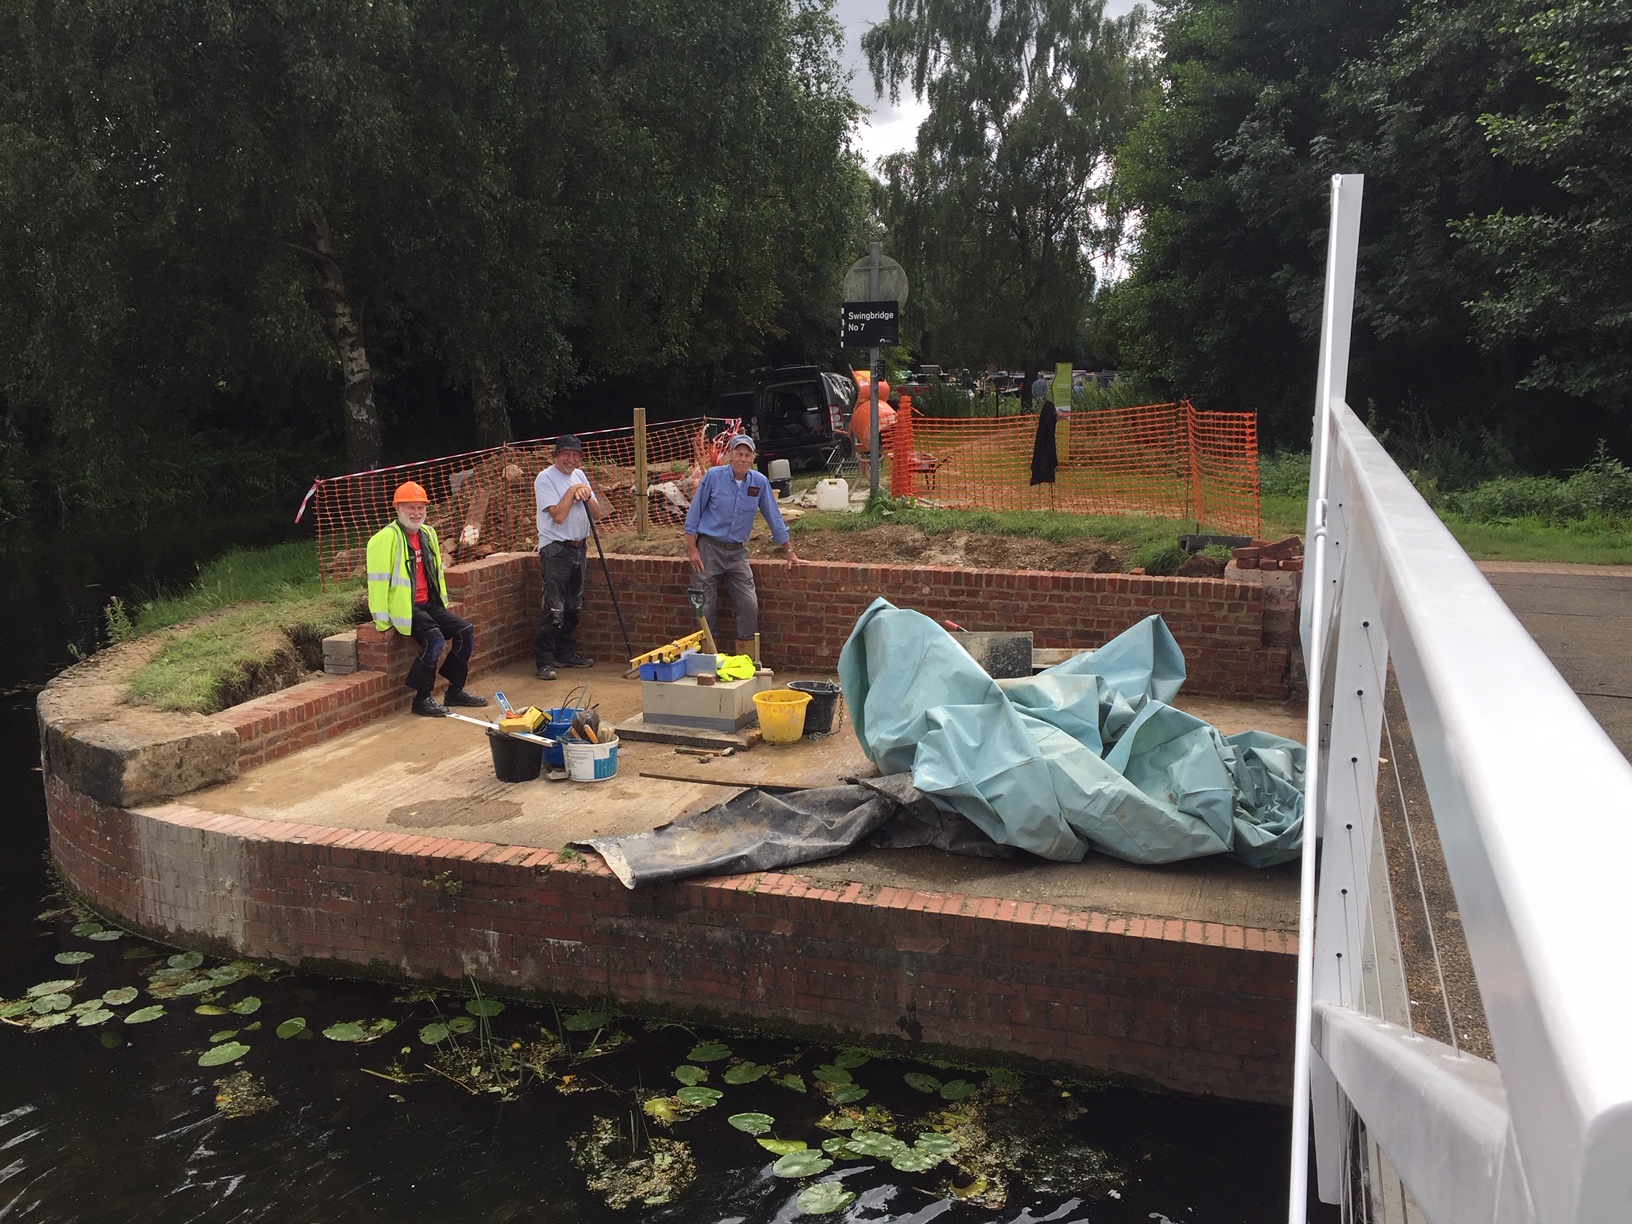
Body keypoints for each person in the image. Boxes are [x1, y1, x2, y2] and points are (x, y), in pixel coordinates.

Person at [366, 481, 489, 717]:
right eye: (410, 507)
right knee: (434, 639)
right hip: (404, 607)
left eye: (420, 508)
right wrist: (382, 621)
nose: (416, 513)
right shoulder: (385, 539)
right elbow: (378, 582)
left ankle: (455, 691)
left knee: (465, 631)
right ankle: (421, 699)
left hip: (428, 603)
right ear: (397, 509)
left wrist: (441, 603)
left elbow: (435, 573)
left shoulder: (428, 533)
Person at [683, 434, 800, 658]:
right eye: (739, 454)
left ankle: (746, 658)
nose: (743, 459)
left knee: (749, 604)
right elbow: (694, 513)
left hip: (737, 553)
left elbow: (774, 517)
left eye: (748, 455)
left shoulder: (759, 483)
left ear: (753, 458)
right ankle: (708, 658)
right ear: (730, 455)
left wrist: (788, 550)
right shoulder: (714, 477)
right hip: (709, 548)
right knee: (705, 605)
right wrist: (692, 549)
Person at [533, 435, 605, 680]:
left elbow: (597, 513)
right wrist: (572, 491)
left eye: (575, 455)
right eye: (566, 454)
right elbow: (559, 516)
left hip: (579, 547)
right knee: (553, 607)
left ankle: (565, 652)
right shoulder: (545, 479)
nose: (571, 459)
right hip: (556, 549)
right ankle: (544, 660)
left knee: (574, 607)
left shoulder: (580, 476)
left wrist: (586, 494)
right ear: (556, 456)